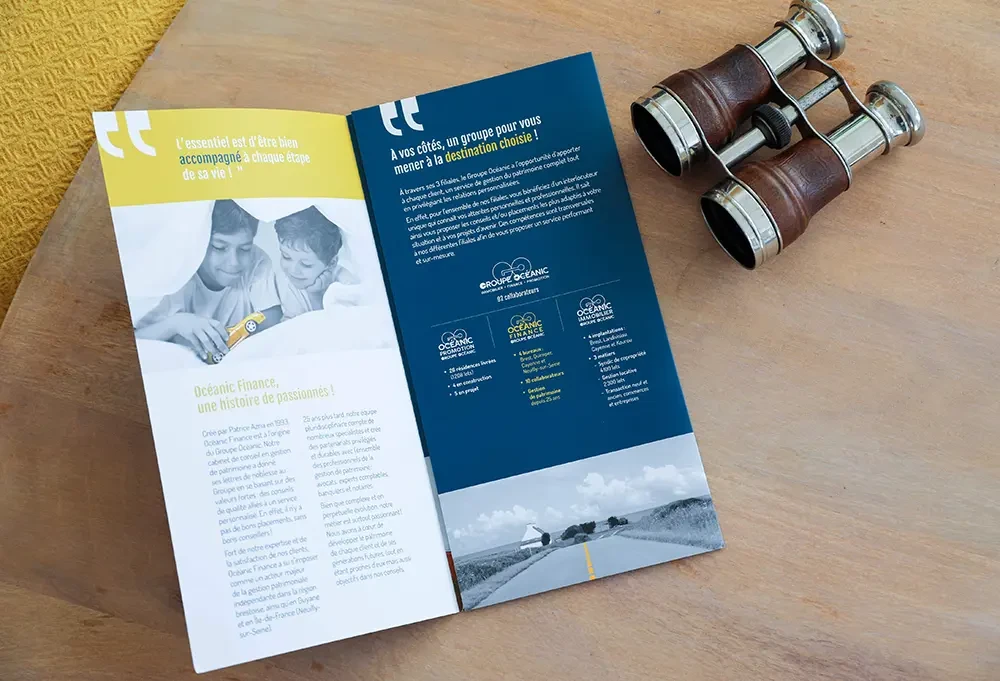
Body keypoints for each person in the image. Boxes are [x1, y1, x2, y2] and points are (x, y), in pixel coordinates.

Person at [135, 199, 281, 361]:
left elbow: (272, 319)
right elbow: (136, 339)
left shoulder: (257, 261)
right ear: (199, 241)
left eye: (245, 249)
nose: (234, 262)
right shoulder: (174, 275)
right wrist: (175, 324)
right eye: (219, 247)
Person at [273, 206, 354, 319]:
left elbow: (336, 329)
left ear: (331, 264)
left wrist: (316, 296)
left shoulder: (346, 284)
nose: (293, 270)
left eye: (306, 264)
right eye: (286, 257)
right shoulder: (288, 279)